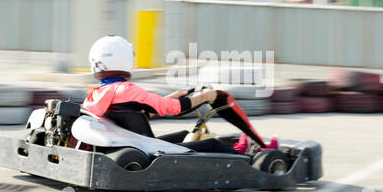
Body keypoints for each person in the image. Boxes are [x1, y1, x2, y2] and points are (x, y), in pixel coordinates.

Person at [82, 35, 278, 155]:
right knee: (211, 144)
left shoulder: (95, 95)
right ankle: (249, 157)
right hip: (147, 150)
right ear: (124, 58)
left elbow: (133, 114)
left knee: (185, 135)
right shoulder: (125, 90)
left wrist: (171, 97)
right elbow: (175, 109)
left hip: (129, 144)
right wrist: (206, 96)